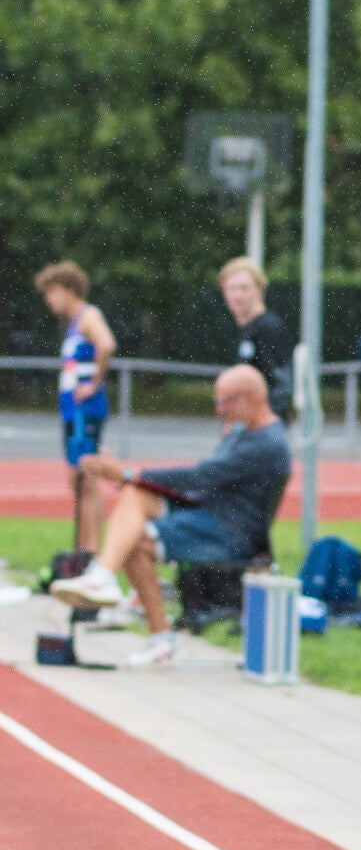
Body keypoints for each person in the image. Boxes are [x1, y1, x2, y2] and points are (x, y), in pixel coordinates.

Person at [51, 365, 291, 666]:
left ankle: (156, 632)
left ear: (248, 397)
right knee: (134, 495)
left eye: (224, 401)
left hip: (231, 533)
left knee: (135, 541)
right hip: (208, 512)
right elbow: (205, 482)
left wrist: (129, 473)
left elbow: (203, 476)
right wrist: (134, 480)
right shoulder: (245, 431)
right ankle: (103, 576)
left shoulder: (267, 443)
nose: (219, 410)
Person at [35, 262, 117, 553]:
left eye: (52, 292)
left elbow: (107, 344)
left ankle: (90, 551)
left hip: (86, 412)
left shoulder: (88, 316)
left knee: (87, 478)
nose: (49, 299)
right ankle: (82, 549)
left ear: (70, 289)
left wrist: (93, 384)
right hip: (73, 412)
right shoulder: (72, 324)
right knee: (77, 480)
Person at [219, 257, 295, 417]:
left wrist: (258, 420)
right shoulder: (246, 328)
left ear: (260, 290)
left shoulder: (269, 328)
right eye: (231, 288)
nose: (237, 295)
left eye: (244, 288)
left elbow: (283, 386)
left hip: (262, 426)